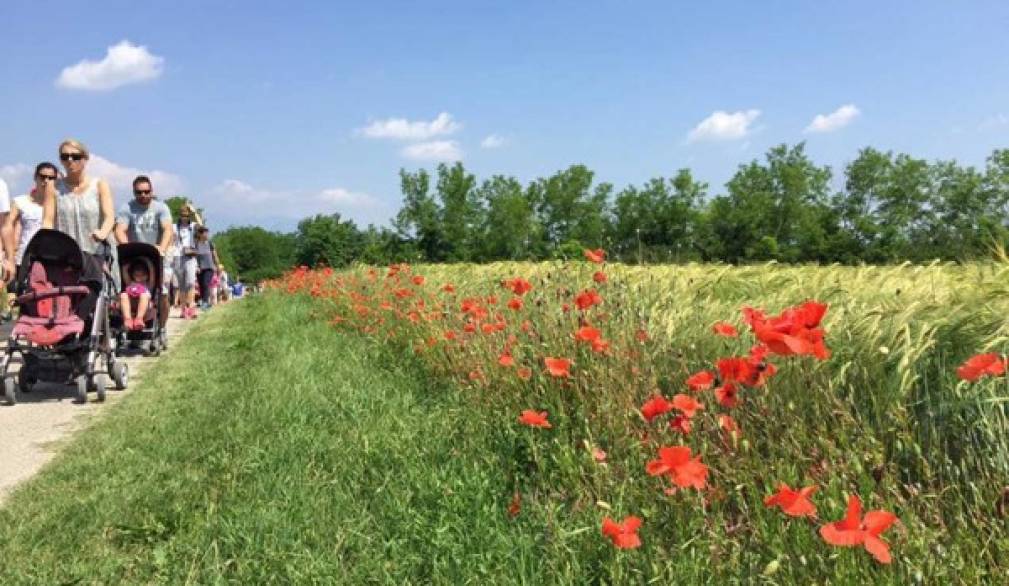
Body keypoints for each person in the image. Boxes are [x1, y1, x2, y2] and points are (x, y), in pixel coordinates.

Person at [41, 139, 119, 318]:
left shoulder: (99, 185)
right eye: (65, 157)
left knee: (92, 291)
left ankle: (81, 325)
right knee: (62, 292)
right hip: (67, 253)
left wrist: (102, 232)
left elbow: (109, 217)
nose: (70, 161)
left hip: (94, 251)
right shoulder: (53, 188)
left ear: (85, 159)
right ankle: (67, 329)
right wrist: (46, 240)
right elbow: (47, 219)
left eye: (75, 156)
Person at [114, 175, 173, 328]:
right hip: (135, 254)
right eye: (139, 192)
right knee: (124, 292)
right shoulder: (127, 208)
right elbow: (120, 230)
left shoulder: (161, 208)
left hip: (157, 253)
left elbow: (167, 229)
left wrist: (162, 248)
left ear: (152, 191)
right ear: (134, 193)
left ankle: (161, 327)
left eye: (146, 192)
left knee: (163, 293)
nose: (143, 195)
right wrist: (126, 246)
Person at [2, 163, 52, 284]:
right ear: (35, 177)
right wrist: (9, 255)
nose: (46, 181)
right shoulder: (20, 201)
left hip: (51, 259)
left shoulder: (60, 203)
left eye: (51, 178)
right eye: (42, 176)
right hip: (24, 258)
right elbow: (6, 225)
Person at [173, 203, 201, 318]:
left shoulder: (193, 226)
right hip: (178, 256)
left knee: (190, 282)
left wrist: (195, 212)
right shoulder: (175, 226)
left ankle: (191, 308)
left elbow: (201, 225)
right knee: (182, 285)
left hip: (190, 256)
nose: (185, 217)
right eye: (183, 215)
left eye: (187, 215)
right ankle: (183, 308)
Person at [193, 226, 221, 310]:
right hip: (199, 268)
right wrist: (196, 266)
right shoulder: (196, 244)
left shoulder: (210, 243)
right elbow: (194, 256)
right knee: (201, 285)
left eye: (207, 233)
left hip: (209, 267)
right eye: (205, 233)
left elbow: (214, 255)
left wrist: (218, 265)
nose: (207, 234)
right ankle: (203, 301)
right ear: (200, 234)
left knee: (206, 283)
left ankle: (205, 302)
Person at [119, 261, 151, 331]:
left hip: (144, 305)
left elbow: (152, 274)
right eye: (137, 275)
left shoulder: (147, 284)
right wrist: (126, 267)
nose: (140, 278)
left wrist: (149, 264)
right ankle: (128, 319)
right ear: (133, 275)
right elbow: (125, 273)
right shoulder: (131, 283)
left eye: (142, 275)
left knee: (143, 295)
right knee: (124, 295)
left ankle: (139, 319)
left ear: (147, 275)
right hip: (131, 303)